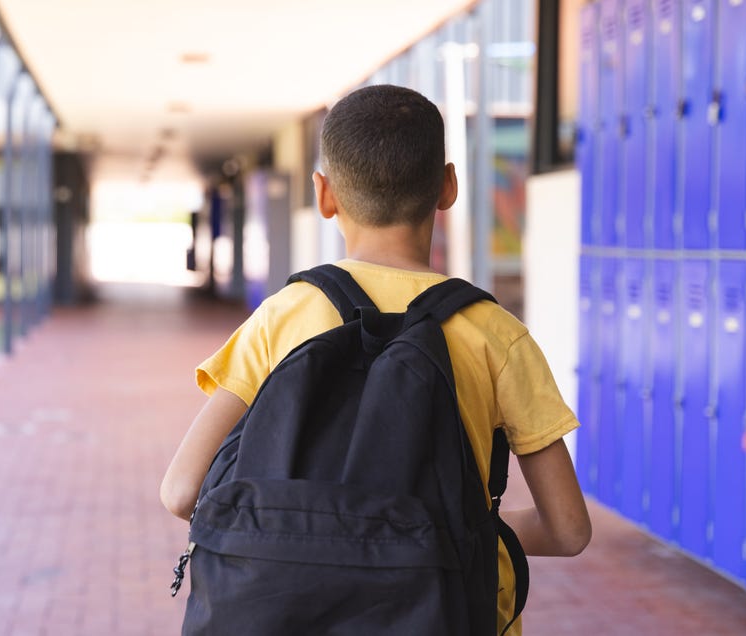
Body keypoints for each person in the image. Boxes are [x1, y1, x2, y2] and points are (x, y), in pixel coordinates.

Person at [160, 84, 591, 634]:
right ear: (448, 186)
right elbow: (568, 531)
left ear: (324, 194)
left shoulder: (283, 316)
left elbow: (180, 493)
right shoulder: (497, 335)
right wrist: (448, 531)